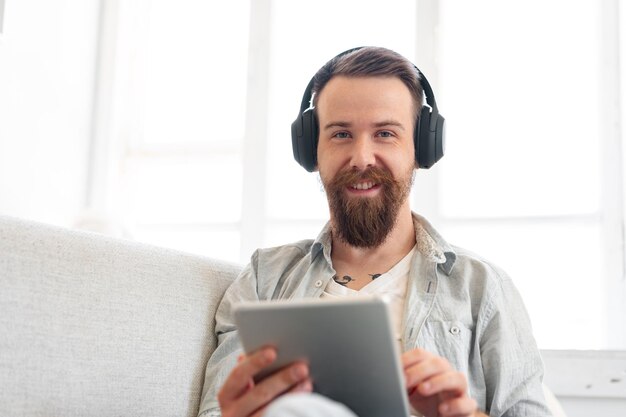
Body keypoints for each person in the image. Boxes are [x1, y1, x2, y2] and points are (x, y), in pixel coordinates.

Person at [198, 47, 551, 417]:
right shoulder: (262, 281)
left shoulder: (482, 287)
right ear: (310, 150)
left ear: (421, 148)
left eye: (384, 133)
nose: (362, 157)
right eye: (341, 134)